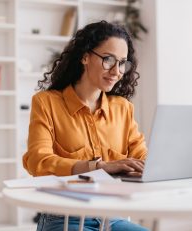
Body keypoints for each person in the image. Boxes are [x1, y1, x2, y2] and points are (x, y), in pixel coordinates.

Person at [23, 21, 149, 231]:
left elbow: (142, 160)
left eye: (122, 63)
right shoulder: (46, 103)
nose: (117, 71)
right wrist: (97, 167)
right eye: (108, 60)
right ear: (85, 56)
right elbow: (38, 161)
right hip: (63, 219)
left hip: (111, 216)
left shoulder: (123, 108)